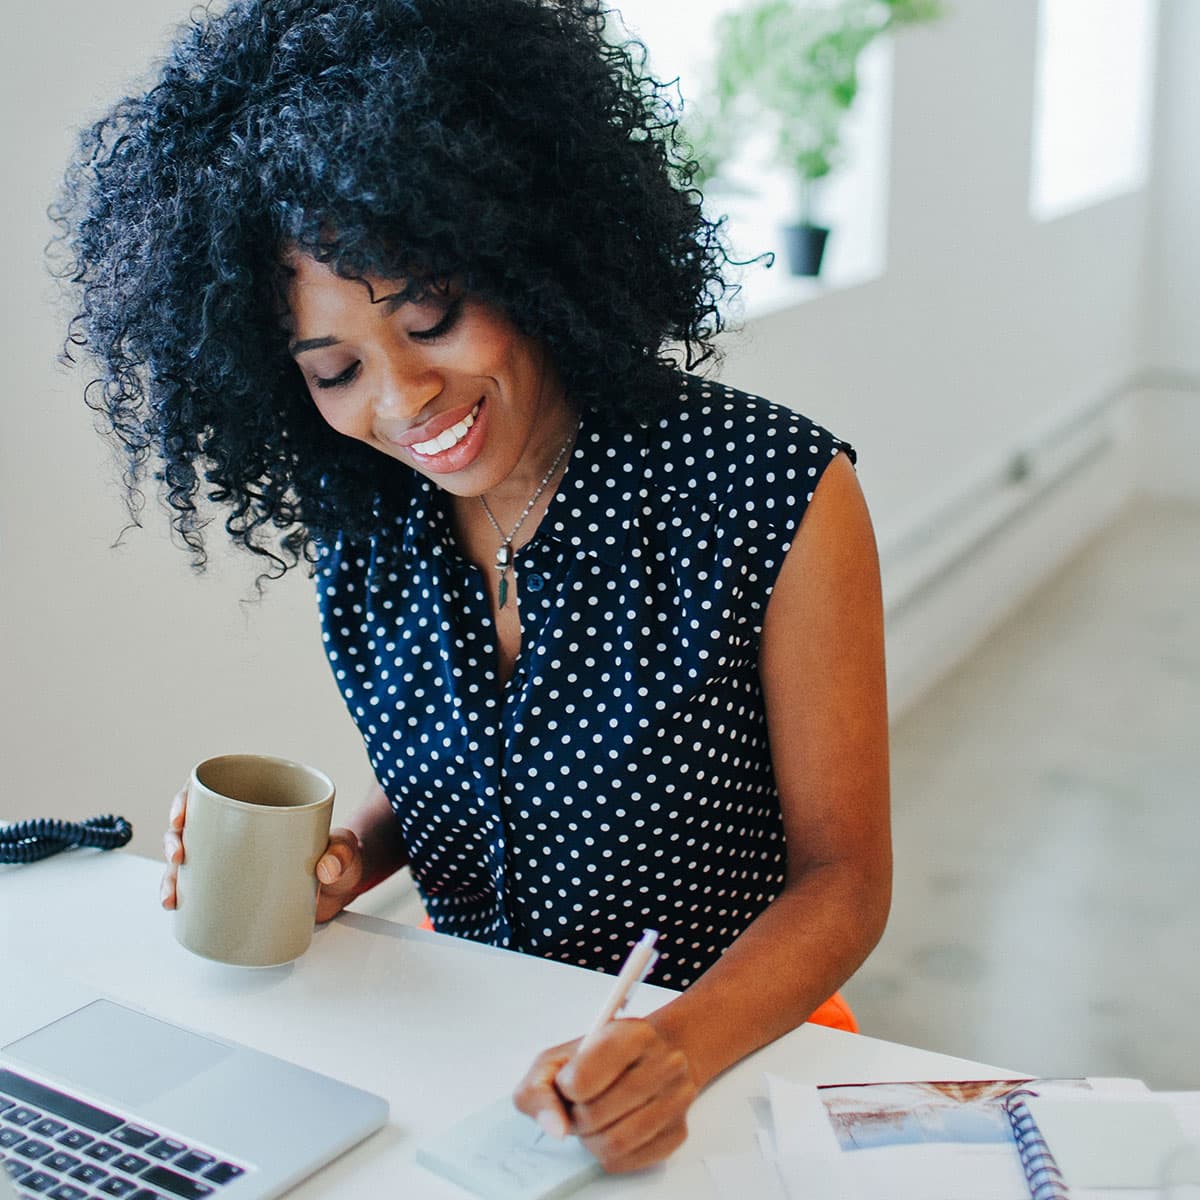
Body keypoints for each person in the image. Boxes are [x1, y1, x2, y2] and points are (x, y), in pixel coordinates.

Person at [54, 0, 891, 1174]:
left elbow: (843, 882)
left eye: (431, 315)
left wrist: (677, 1050)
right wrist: (342, 859)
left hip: (730, 1060)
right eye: (336, 369)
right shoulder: (369, 516)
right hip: (472, 1072)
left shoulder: (770, 490)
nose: (403, 403)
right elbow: (503, 770)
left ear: (519, 241)